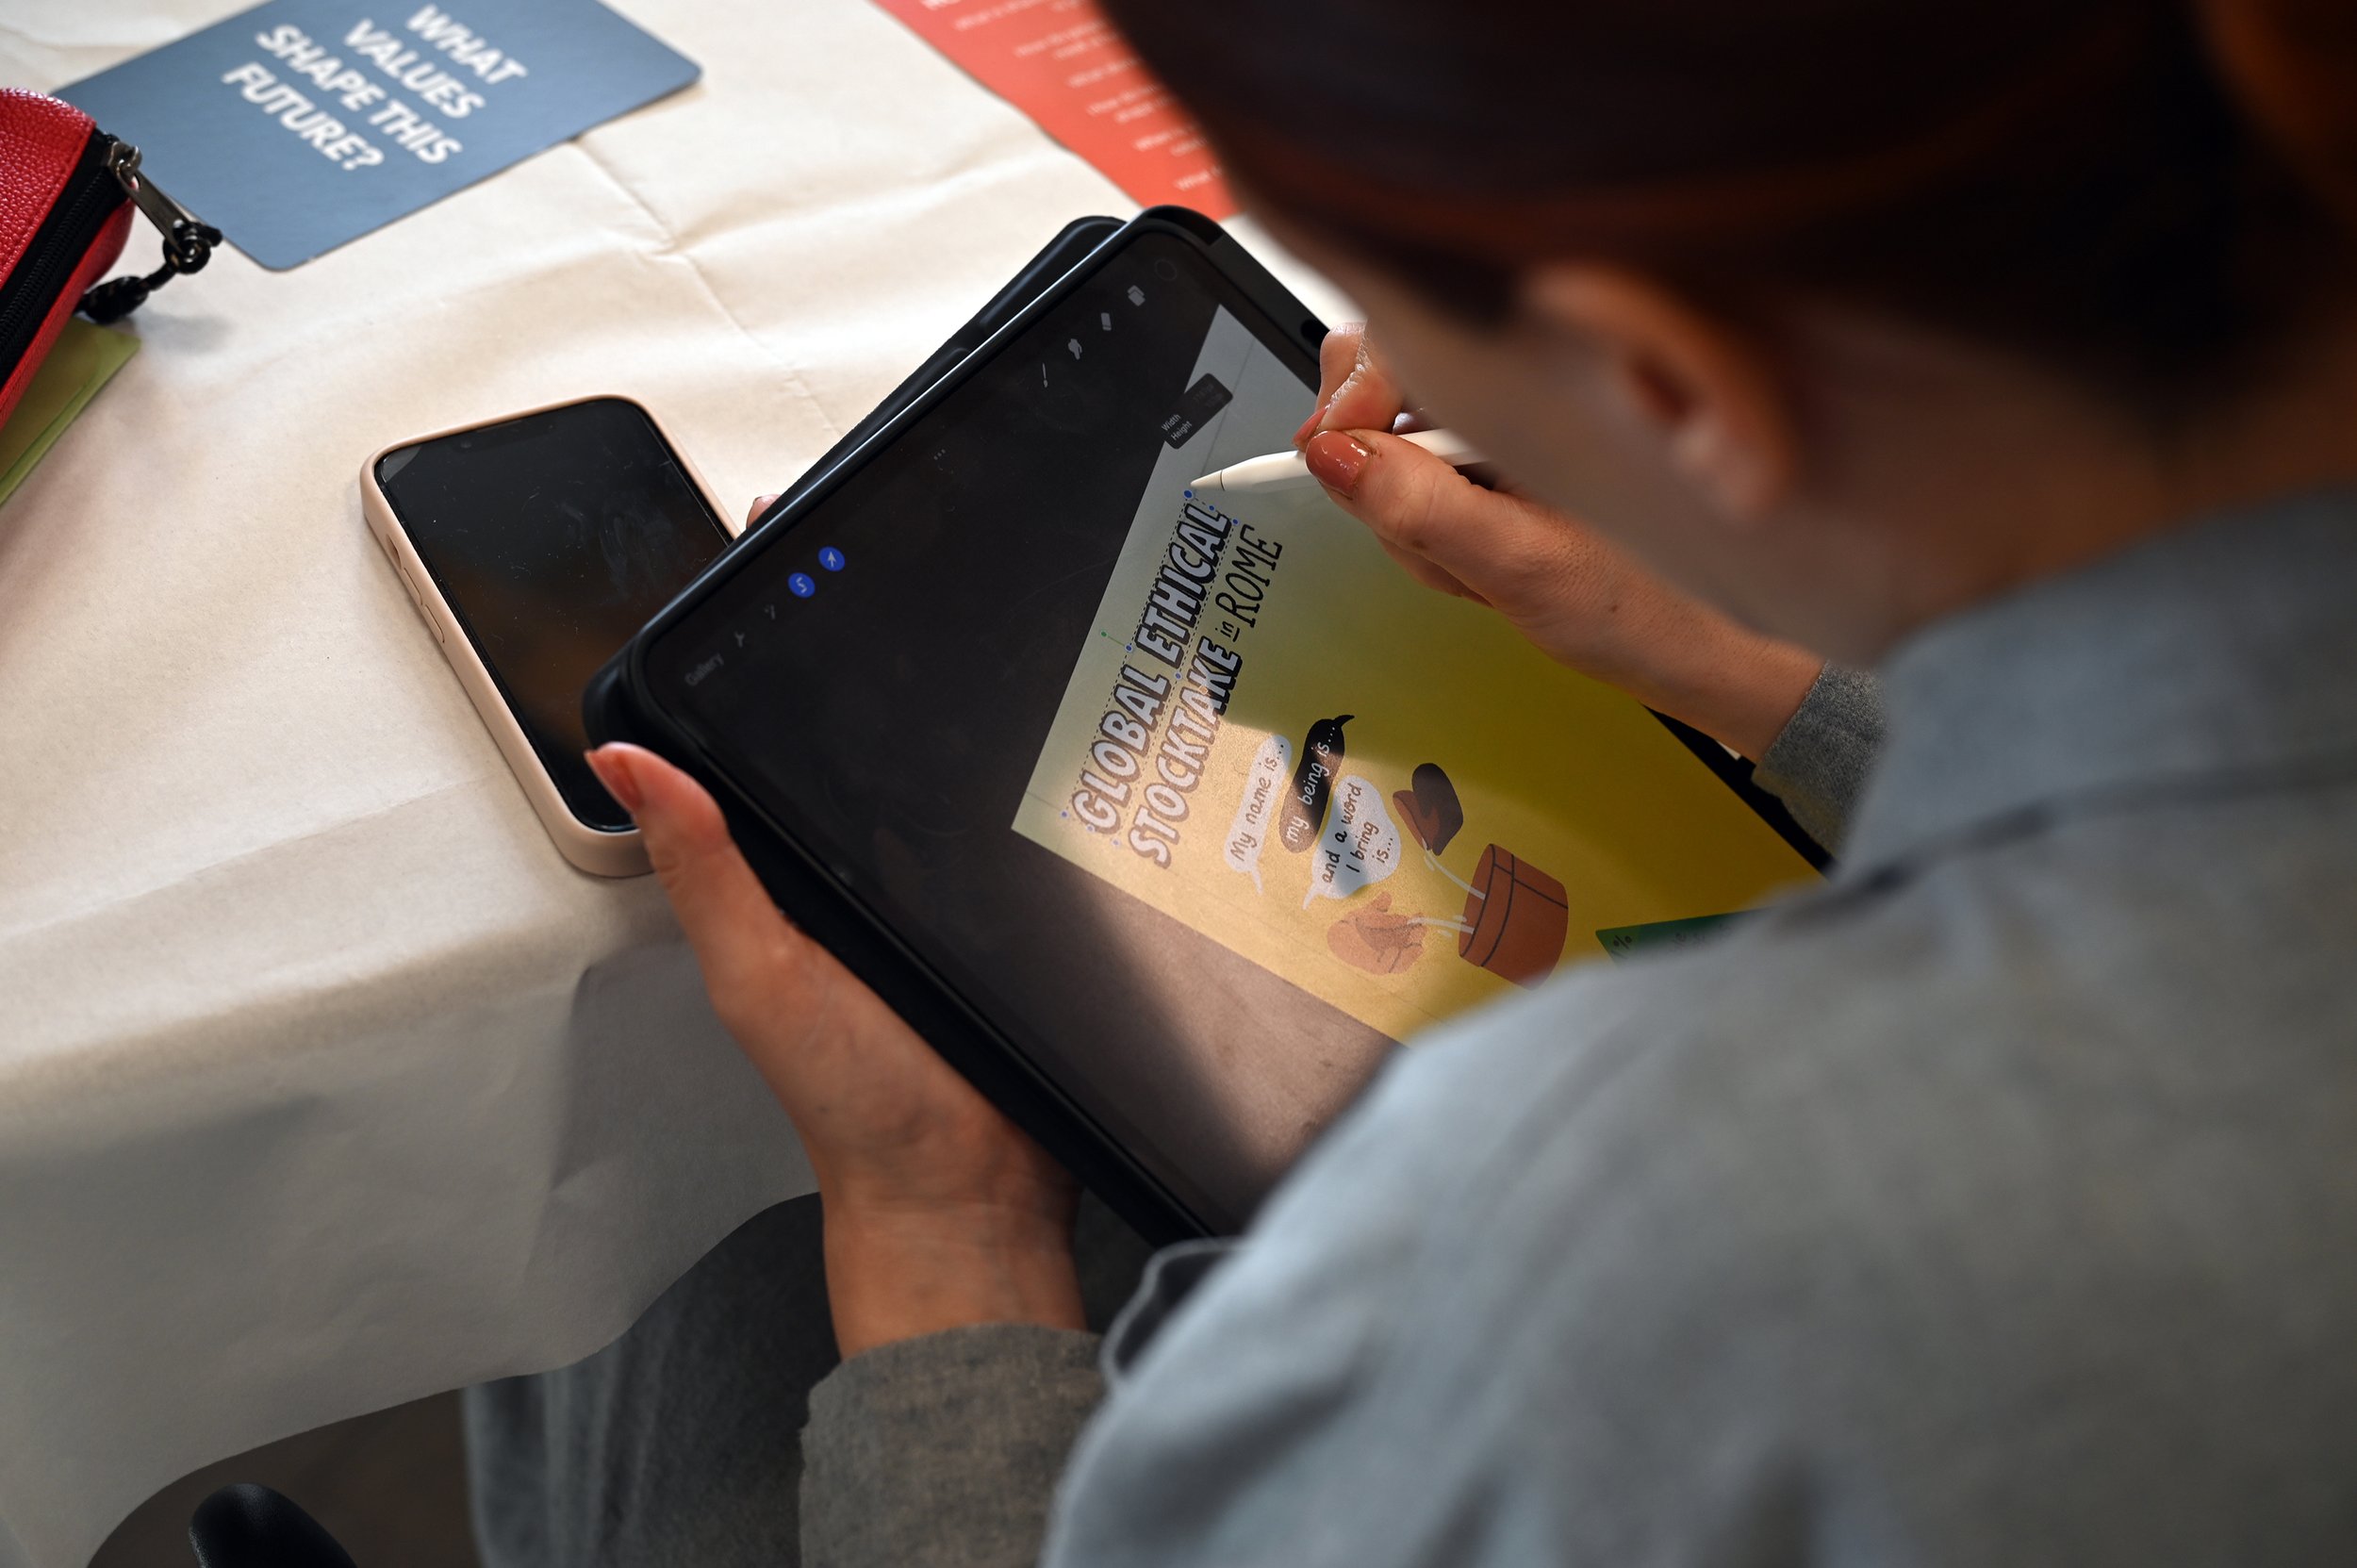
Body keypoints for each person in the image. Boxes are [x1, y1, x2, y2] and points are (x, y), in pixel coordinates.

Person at [474, 0, 2357, 1561]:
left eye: (1386, 307)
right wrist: (1753, 672)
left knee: (675, 1275)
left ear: (1669, 388)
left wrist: (941, 1222)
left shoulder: (1597, 1209)